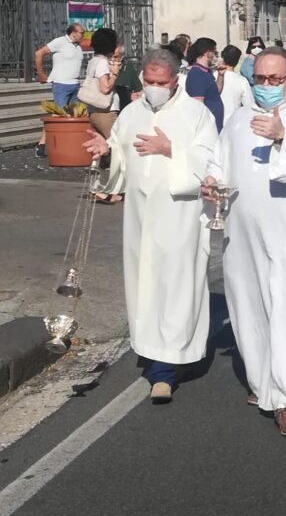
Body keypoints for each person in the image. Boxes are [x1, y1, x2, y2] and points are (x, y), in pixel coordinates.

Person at [203, 47, 286, 437]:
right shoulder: (240, 117)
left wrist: (282, 139)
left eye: (275, 79)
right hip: (242, 231)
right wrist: (211, 181)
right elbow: (219, 159)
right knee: (248, 307)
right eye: (260, 78)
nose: (267, 86)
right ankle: (263, 383)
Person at [84, 48, 218, 402]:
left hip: (180, 215)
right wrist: (107, 151)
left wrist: (171, 149)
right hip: (141, 217)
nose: (155, 88)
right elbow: (120, 157)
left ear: (176, 81)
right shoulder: (130, 113)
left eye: (162, 82)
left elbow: (210, 161)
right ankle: (152, 348)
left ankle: (166, 369)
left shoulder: (196, 114)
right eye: (150, 81)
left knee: (175, 286)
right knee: (145, 284)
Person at [83, 27, 123, 205]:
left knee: (104, 151)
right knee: (116, 151)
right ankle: (107, 189)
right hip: (105, 112)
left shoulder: (93, 61)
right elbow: (105, 88)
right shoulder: (102, 64)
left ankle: (99, 186)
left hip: (95, 112)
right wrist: (114, 73)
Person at [34, 22, 85, 157]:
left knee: (75, 115)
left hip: (75, 84)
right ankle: (42, 145)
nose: (83, 35)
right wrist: (41, 73)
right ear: (73, 32)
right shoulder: (60, 42)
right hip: (61, 85)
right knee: (57, 115)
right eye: (81, 32)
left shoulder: (78, 46)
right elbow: (39, 53)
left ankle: (71, 143)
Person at [185, 37, 224, 131]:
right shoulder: (197, 74)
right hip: (208, 129)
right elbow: (198, 105)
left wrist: (221, 75)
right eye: (215, 52)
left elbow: (216, 92)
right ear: (208, 53)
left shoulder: (206, 72)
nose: (215, 56)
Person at [215, 45, 253, 123]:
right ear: (237, 60)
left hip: (214, 123)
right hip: (233, 123)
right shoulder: (242, 81)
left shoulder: (213, 76)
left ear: (223, 57)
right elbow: (248, 106)